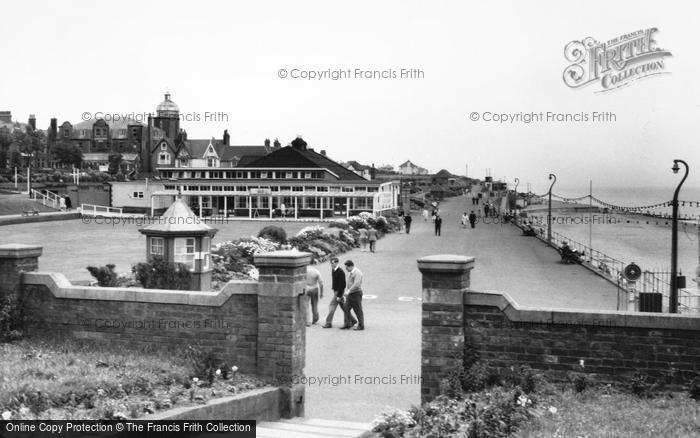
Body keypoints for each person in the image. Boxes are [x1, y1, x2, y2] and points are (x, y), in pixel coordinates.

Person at [323, 257, 354, 328]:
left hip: (338, 292)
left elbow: (343, 285)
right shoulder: (333, 270)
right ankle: (353, 320)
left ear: (337, 263)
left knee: (332, 305)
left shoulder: (341, 272)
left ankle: (328, 323)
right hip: (336, 291)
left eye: (333, 263)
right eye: (331, 263)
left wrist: (339, 295)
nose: (331, 264)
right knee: (344, 307)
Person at [342, 260, 364, 330]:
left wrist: (349, 290)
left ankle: (361, 325)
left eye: (347, 268)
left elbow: (356, 284)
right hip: (351, 294)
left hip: (356, 294)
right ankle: (349, 323)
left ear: (351, 266)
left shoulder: (357, 273)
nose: (346, 269)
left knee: (358, 310)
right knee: (346, 308)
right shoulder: (352, 272)